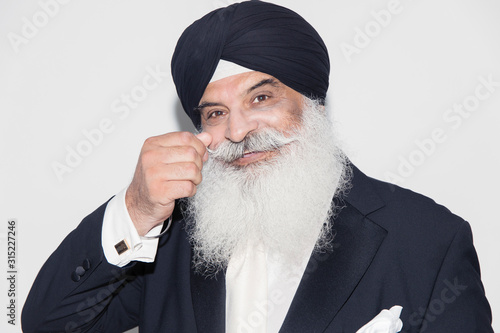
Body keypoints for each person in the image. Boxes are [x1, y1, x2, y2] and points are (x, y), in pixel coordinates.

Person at [22, 1, 493, 332]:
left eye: (262, 98)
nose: (238, 131)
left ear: (313, 104)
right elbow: (49, 324)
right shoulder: (167, 240)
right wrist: (137, 208)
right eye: (215, 113)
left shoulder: (428, 239)